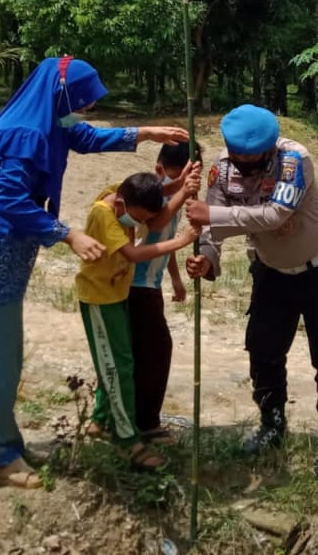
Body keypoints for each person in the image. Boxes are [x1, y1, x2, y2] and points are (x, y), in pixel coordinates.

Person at [0, 55, 188, 489]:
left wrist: (146, 133)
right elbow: (12, 199)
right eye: (82, 102)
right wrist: (67, 234)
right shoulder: (27, 134)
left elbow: (85, 137)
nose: (86, 111)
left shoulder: (47, 120)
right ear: (61, 95)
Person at [184, 104, 318, 480]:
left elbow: (275, 215)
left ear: (268, 147)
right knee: (262, 349)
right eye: (238, 154)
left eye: (253, 155)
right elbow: (210, 223)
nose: (244, 161)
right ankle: (272, 422)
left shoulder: (295, 160)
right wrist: (207, 259)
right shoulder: (222, 169)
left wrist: (211, 217)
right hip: (271, 271)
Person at [77, 169, 201, 469]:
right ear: (121, 203)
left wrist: (181, 186)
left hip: (116, 296)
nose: (142, 224)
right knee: (117, 369)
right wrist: (181, 241)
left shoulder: (122, 193)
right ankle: (126, 438)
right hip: (99, 300)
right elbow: (132, 254)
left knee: (122, 363)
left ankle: (102, 420)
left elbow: (158, 193)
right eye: (139, 218)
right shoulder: (105, 214)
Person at [128, 141, 201, 442]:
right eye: (181, 174)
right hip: (135, 286)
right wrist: (182, 190)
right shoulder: (146, 194)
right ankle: (147, 423)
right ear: (161, 170)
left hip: (151, 285)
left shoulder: (175, 197)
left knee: (142, 352)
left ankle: (132, 416)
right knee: (155, 352)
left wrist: (175, 278)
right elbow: (156, 221)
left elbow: (165, 238)